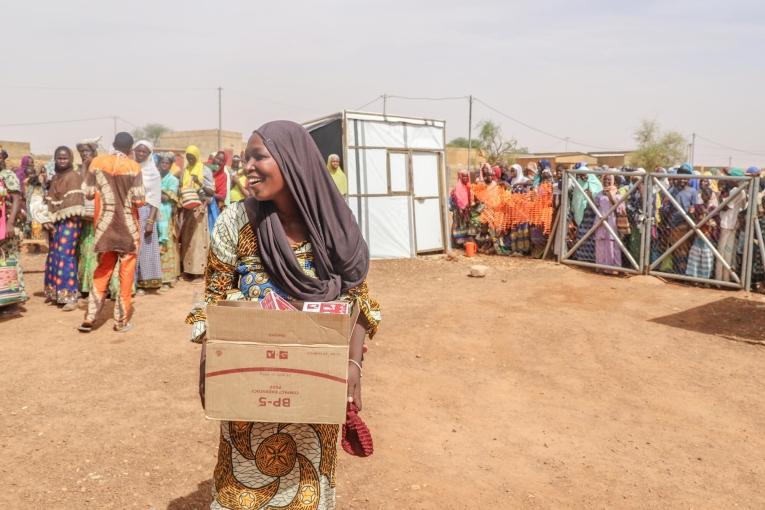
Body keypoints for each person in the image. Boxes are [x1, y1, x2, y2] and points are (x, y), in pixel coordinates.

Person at [187, 121, 381, 510]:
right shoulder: (237, 222)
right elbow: (214, 298)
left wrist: (353, 367)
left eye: (259, 156)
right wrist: (211, 360)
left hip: (316, 385)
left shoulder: (334, 226)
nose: (249, 168)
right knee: (243, 486)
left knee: (307, 492)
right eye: (245, 160)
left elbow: (360, 300)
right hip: (251, 382)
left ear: (293, 160)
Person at [79, 132, 145, 333]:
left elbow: (88, 193)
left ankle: (90, 317)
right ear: (130, 149)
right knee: (126, 275)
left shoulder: (97, 163)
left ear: (113, 144)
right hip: (128, 230)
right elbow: (139, 200)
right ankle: (121, 321)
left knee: (102, 271)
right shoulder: (134, 168)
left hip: (105, 229)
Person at [42, 146, 85, 311]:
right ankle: (55, 292)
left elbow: (73, 204)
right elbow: (50, 200)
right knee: (54, 256)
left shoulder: (74, 177)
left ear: (71, 159)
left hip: (70, 221)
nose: (61, 161)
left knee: (65, 257)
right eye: (59, 158)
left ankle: (70, 296)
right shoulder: (55, 178)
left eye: (65, 158)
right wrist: (48, 219)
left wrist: (54, 217)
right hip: (56, 222)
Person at [179, 145, 214, 278]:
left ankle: (199, 272)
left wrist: (199, 182)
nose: (190, 159)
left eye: (192, 157)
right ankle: (188, 270)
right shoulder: (186, 170)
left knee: (199, 241)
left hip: (200, 207)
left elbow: (211, 192)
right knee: (188, 240)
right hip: (187, 208)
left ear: (197, 156)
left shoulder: (205, 170)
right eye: (188, 157)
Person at [133, 140, 163, 292]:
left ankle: (145, 283)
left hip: (146, 212)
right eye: (138, 151)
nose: (141, 154)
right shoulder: (129, 168)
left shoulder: (153, 173)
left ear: (149, 154)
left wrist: (150, 221)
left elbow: (155, 199)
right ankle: (131, 283)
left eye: (144, 152)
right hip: (131, 211)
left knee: (146, 249)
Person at [0, 159, 27, 313]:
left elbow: (17, 199)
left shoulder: (7, 175)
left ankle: (12, 301)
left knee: (9, 259)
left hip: (6, 224)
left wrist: (10, 223)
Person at [75, 139, 100, 296]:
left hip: (98, 217)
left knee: (96, 252)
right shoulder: (79, 171)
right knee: (84, 251)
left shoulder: (99, 169)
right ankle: (85, 286)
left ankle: (97, 286)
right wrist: (84, 167)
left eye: (87, 151)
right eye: (82, 151)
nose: (84, 154)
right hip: (83, 219)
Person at [715, 169, 747, 282]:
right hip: (733, 224)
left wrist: (719, 198)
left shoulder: (735, 190)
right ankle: (726, 279)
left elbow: (726, 206)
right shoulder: (742, 191)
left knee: (721, 252)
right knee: (728, 252)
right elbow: (743, 207)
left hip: (726, 223)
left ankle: (719, 280)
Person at [158, 152, 180, 289]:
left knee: (165, 245)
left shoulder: (173, 180)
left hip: (165, 215)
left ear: (171, 165)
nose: (164, 165)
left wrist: (155, 192)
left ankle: (166, 279)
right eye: (162, 163)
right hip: (153, 214)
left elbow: (167, 198)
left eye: (167, 163)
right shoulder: (156, 177)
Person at [571, 164, 603, 262]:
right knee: (582, 236)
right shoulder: (579, 184)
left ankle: (592, 259)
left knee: (592, 237)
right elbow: (576, 200)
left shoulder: (596, 183)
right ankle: (582, 258)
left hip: (592, 215)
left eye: (584, 174)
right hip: (582, 215)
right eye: (580, 175)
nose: (583, 176)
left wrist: (591, 194)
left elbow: (599, 198)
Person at [594, 174, 623, 269]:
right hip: (600, 222)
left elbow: (620, 208)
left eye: (609, 179)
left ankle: (613, 268)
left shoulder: (617, 193)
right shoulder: (599, 193)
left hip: (612, 221)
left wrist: (610, 195)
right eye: (605, 179)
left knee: (612, 244)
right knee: (600, 243)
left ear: (613, 181)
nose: (607, 181)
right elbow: (596, 206)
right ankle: (600, 266)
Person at [449, 169, 473, 247]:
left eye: (466, 176)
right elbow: (458, 199)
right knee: (457, 224)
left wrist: (468, 206)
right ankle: (455, 242)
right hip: (458, 209)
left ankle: (462, 242)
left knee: (464, 225)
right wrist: (460, 208)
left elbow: (470, 197)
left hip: (466, 209)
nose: (465, 178)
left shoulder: (468, 186)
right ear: (460, 177)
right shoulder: (458, 186)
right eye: (464, 177)